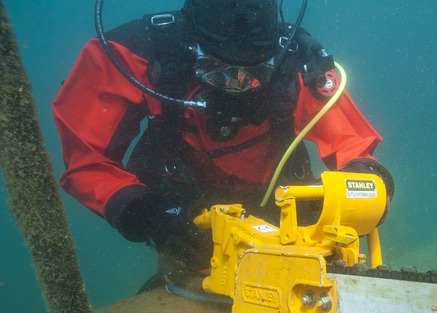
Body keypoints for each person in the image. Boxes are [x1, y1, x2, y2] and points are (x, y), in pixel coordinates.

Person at [53, 0, 393, 288]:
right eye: (218, 71)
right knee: (184, 276)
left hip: (283, 209)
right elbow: (86, 157)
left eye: (256, 72)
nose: (238, 84)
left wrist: (365, 184)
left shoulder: (299, 60)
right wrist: (142, 211)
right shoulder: (132, 53)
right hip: (184, 214)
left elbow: (351, 144)